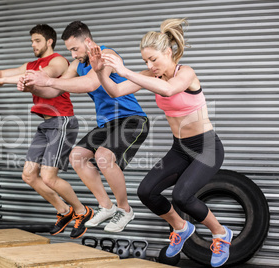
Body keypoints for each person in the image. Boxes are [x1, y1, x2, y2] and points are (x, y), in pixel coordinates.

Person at [88, 18, 232, 267]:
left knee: (182, 196)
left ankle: (221, 233)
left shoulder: (186, 73)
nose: (149, 65)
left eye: (153, 59)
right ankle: (180, 227)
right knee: (146, 191)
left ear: (168, 51)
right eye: (145, 61)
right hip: (180, 148)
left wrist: (125, 71)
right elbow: (115, 91)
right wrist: (99, 70)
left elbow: (168, 90)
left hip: (206, 147)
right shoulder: (148, 75)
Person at [20, 21, 149, 233]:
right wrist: (32, 87)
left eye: (75, 49)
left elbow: (90, 83)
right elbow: (53, 92)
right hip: (107, 124)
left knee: (103, 157)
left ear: (87, 42)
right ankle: (106, 206)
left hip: (132, 119)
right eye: (70, 50)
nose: (73, 55)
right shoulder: (77, 64)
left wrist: (50, 81)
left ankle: (125, 209)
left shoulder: (106, 55)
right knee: (77, 156)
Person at [0, 24, 93, 239]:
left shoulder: (58, 61)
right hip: (46, 125)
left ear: (49, 41)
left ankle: (83, 211)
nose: (33, 44)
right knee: (28, 175)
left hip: (62, 122)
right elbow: (2, 72)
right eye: (32, 41)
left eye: (37, 40)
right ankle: (65, 211)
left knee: (48, 176)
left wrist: (5, 81)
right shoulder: (31, 64)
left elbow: (42, 76)